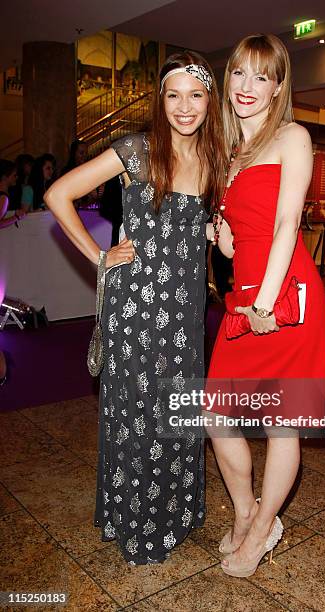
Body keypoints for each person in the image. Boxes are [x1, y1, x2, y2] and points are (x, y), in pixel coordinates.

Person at [44, 50, 225, 564]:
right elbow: (60, 195)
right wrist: (101, 256)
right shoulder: (136, 151)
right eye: (173, 95)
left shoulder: (213, 161)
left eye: (194, 95)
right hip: (136, 310)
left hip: (186, 314)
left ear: (209, 101)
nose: (184, 107)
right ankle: (138, 520)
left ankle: (175, 512)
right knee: (138, 414)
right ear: (161, 101)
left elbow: (203, 237)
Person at [206, 33, 325, 578]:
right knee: (216, 415)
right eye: (238, 74)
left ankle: (257, 533)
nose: (247, 87)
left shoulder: (292, 137)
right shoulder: (231, 152)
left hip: (284, 298)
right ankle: (247, 513)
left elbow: (286, 224)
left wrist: (263, 299)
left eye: (261, 76)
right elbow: (241, 232)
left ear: (279, 85)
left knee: (284, 424)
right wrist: (223, 236)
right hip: (245, 296)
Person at [0, 159, 25, 228]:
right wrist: (16, 217)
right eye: (14, 175)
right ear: (4, 177)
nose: (17, 177)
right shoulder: (3, 197)